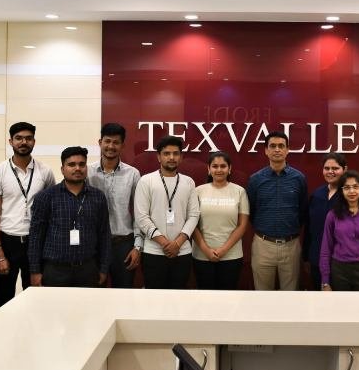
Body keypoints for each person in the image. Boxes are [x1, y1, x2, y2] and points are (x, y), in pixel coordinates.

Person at [0, 122, 55, 307]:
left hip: (35, 241)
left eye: (28, 138)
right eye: (18, 138)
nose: (23, 142)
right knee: (4, 298)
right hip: (7, 241)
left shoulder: (45, 172)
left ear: (34, 141)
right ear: (11, 141)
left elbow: (51, 209)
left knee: (35, 296)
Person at [28, 146, 110, 287]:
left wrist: (103, 268)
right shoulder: (46, 196)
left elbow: (104, 235)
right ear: (62, 169)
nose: (77, 168)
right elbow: (36, 236)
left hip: (88, 269)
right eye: (71, 164)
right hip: (55, 270)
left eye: (82, 164)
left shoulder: (98, 197)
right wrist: (35, 271)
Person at [134, 135, 200, 289]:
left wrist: (177, 243)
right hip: (154, 252)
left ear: (181, 157)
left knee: (178, 297)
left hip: (182, 251)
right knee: (154, 298)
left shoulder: (188, 182)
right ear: (159, 157)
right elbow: (142, 217)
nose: (171, 157)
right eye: (166, 153)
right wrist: (165, 243)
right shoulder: (146, 181)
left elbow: (193, 215)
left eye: (175, 153)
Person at [247, 130, 309, 290]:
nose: (277, 149)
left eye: (281, 146)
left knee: (290, 294)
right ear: (266, 150)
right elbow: (251, 211)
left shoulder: (299, 178)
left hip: (291, 245)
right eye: (272, 146)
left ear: (287, 150)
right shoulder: (255, 179)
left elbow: (303, 211)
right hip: (263, 245)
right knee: (262, 294)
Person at [87, 123, 142, 288]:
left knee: (124, 292)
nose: (111, 146)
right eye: (107, 141)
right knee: (95, 292)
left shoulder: (133, 174)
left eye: (116, 142)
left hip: (123, 244)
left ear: (122, 145)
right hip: (94, 244)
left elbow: (139, 213)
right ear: (100, 142)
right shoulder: (87, 172)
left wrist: (137, 247)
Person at [192, 151, 250, 290]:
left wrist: (223, 250)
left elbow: (242, 225)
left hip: (231, 256)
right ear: (209, 169)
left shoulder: (239, 191)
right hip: (202, 255)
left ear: (229, 169)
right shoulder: (198, 191)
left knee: (228, 298)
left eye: (223, 166)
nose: (219, 170)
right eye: (215, 166)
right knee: (205, 298)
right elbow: (192, 224)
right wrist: (206, 250)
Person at [320, 171, 359, 292]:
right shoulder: (333, 215)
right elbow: (326, 249)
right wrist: (325, 281)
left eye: (355, 187)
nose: (351, 191)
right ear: (341, 191)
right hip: (339, 270)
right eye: (347, 187)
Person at [304, 152, 347, 290]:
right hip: (316, 259)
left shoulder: (349, 196)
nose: (330, 172)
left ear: (344, 169)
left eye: (335, 168)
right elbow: (309, 228)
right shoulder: (317, 194)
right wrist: (306, 257)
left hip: (341, 262)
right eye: (327, 168)